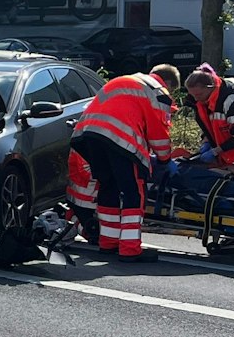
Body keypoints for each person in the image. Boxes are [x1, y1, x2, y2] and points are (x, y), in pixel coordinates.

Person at [70, 65, 179, 262]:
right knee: (133, 193)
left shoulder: (125, 79)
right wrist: (164, 159)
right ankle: (129, 249)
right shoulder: (157, 91)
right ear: (169, 83)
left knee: (108, 187)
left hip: (89, 137)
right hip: (121, 141)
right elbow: (159, 133)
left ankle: (108, 243)